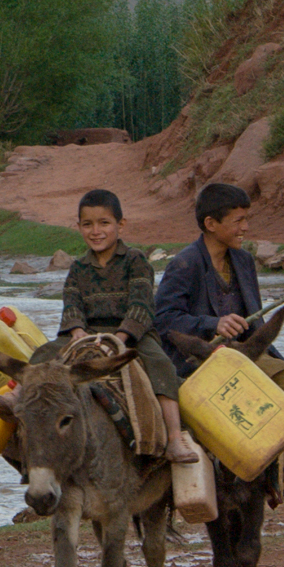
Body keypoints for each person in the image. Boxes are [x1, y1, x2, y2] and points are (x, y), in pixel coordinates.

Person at [154, 182, 284, 524]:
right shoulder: (184, 265)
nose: (246, 228)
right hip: (204, 362)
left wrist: (267, 349)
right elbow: (163, 320)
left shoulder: (243, 261)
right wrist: (214, 322)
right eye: (238, 221)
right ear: (211, 224)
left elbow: (256, 324)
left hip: (245, 356)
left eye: (245, 219)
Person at [58, 188, 201, 464]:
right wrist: (77, 332)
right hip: (88, 333)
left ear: (120, 225)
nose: (95, 231)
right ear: (78, 227)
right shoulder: (77, 268)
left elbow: (141, 305)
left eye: (104, 223)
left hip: (134, 335)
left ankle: (173, 438)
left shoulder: (136, 261)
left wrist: (122, 338)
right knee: (45, 355)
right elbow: (71, 304)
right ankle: (18, 397)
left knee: (161, 364)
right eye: (87, 224)